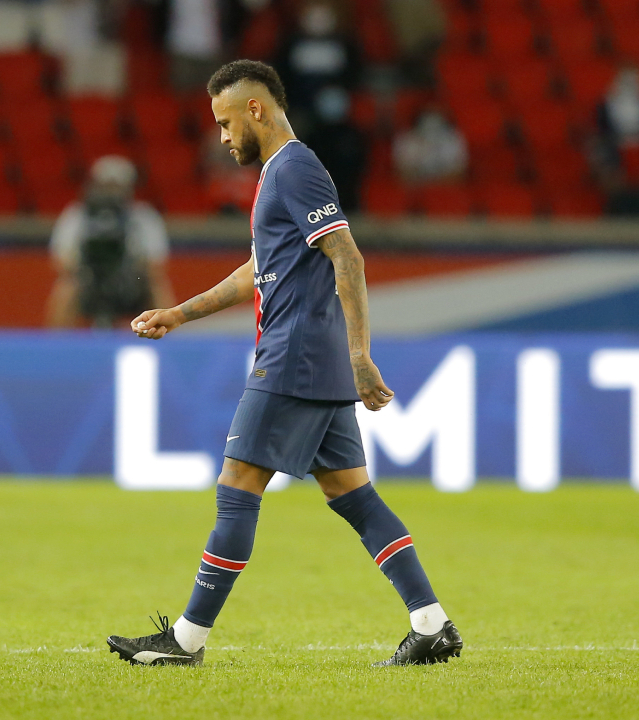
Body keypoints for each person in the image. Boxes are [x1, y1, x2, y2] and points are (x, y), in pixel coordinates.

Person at [105, 60, 461, 668]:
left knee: (237, 487)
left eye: (225, 123)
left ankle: (186, 641)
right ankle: (431, 625)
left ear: (256, 110)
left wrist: (361, 354)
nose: (222, 137)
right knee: (353, 495)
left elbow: (347, 256)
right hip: (314, 359)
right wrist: (180, 313)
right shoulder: (279, 174)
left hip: (295, 356)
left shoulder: (294, 168)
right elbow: (258, 270)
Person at [45, 156, 175, 328]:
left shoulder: (143, 216)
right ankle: (57, 340)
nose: (111, 192)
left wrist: (134, 270)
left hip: (130, 283)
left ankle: (167, 334)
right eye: (106, 185)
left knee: (156, 284)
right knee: (67, 285)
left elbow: (156, 264)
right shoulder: (77, 215)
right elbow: (61, 259)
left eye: (117, 186)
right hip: (89, 280)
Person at [272, 1, 360, 132]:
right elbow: (284, 75)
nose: (318, 22)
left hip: (335, 104)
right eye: (313, 17)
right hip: (300, 105)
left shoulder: (345, 44)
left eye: (324, 17)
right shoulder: (291, 43)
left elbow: (353, 75)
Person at [593, 64, 639, 217]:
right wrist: (607, 167)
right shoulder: (605, 106)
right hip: (617, 163)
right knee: (618, 206)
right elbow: (601, 138)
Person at [393, 108, 468, 185]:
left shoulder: (453, 139)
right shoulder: (407, 139)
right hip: (417, 188)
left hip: (446, 188)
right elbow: (403, 174)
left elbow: (459, 172)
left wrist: (437, 181)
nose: (431, 124)